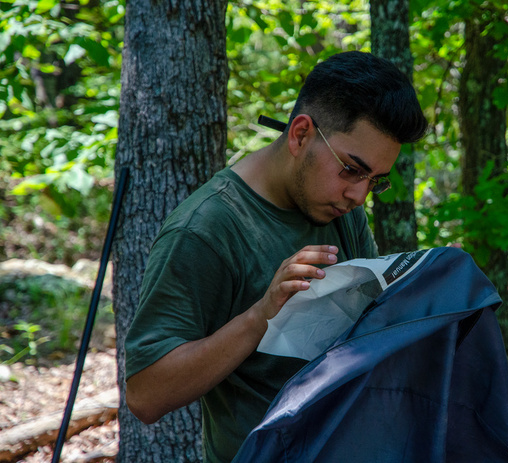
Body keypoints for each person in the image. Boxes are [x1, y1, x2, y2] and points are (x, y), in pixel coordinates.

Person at [124, 50, 428, 463]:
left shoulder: (339, 208)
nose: (359, 195)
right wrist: (260, 316)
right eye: (352, 170)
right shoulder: (205, 229)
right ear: (300, 134)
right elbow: (146, 395)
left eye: (376, 181)